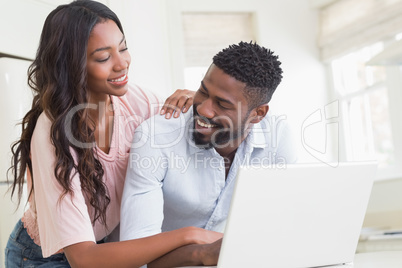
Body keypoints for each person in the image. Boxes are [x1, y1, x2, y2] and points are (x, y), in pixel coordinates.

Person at [5, 1, 222, 267]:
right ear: (71, 65)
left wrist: (195, 101)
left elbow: (182, 129)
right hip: (47, 256)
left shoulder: (137, 101)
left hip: (105, 245)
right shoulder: (53, 134)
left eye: (123, 47)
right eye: (103, 57)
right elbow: (83, 258)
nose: (122, 64)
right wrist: (190, 235)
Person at [120, 41, 298, 267]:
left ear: (258, 114)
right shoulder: (155, 137)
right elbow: (136, 255)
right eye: (202, 91)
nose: (203, 109)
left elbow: (286, 227)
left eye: (223, 104)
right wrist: (200, 253)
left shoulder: (278, 137)